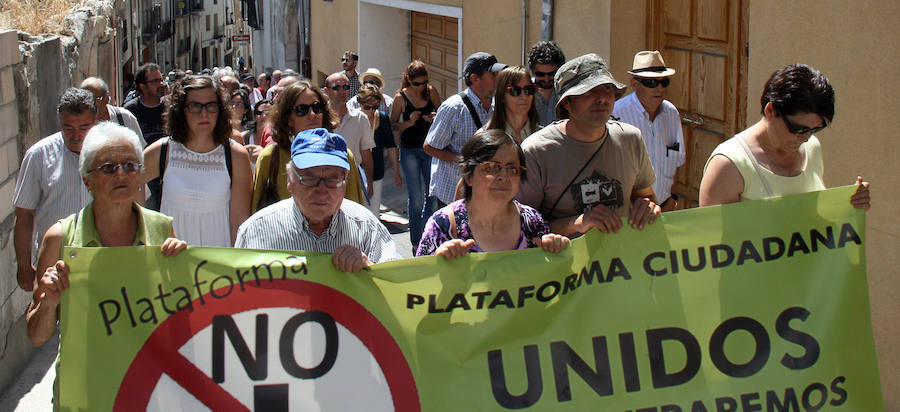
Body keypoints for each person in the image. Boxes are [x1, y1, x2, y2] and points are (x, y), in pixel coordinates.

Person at [26, 122, 187, 348]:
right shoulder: (59, 238)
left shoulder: (162, 229)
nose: (121, 174)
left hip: (145, 376)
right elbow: (36, 337)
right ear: (86, 180)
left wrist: (181, 271)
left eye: (130, 165)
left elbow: (180, 316)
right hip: (83, 379)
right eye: (109, 167)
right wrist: (48, 304)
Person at [517, 54, 661, 238]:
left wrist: (647, 206)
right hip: (564, 265)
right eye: (589, 91)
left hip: (621, 262)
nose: (601, 98)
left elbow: (645, 196)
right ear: (567, 102)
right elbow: (521, 227)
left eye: (607, 89)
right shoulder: (536, 152)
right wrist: (577, 224)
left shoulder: (630, 139)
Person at [700, 63, 871, 209]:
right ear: (771, 110)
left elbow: (812, 219)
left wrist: (848, 205)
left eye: (815, 129)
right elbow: (709, 240)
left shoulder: (812, 148)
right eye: (798, 129)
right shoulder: (729, 165)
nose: (805, 138)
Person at [236, 128, 399, 272]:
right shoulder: (256, 232)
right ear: (289, 181)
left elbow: (395, 289)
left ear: (345, 181)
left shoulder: (367, 228)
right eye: (309, 178)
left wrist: (370, 271)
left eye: (332, 179)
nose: (321, 191)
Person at [416, 129, 569, 258]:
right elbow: (418, 283)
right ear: (469, 176)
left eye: (513, 169)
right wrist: (437, 263)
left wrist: (555, 250)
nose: (504, 176)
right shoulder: (442, 226)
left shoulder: (533, 222)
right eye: (492, 167)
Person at [141, 75, 253, 247]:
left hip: (218, 263)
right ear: (181, 110)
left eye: (211, 106)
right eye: (195, 106)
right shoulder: (162, 151)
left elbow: (239, 224)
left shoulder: (236, 155)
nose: (204, 113)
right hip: (173, 261)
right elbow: (128, 189)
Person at [13, 88, 97, 291]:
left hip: (100, 261)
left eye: (83, 127)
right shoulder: (38, 156)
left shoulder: (111, 153)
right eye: (69, 128)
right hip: (53, 264)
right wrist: (24, 267)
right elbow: (24, 215)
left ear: (95, 121)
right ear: (60, 122)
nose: (76, 135)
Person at [251, 80, 366, 212]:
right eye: (302, 110)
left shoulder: (343, 155)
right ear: (287, 118)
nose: (312, 115)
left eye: (317, 108)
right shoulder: (269, 157)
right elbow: (255, 210)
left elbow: (355, 210)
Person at [424, 52, 507, 214]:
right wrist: (462, 159)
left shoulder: (497, 106)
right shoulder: (454, 108)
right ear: (475, 79)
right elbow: (429, 147)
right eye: (493, 75)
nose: (498, 79)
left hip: (486, 193)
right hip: (453, 193)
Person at [612, 51, 686, 212]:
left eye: (664, 82)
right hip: (629, 213)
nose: (659, 88)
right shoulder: (616, 115)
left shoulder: (671, 113)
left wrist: (672, 199)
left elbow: (678, 161)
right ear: (634, 83)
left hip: (664, 210)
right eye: (651, 83)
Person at [390, 60, 442, 247]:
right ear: (409, 80)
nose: (421, 87)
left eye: (424, 82)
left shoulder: (431, 91)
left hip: (431, 149)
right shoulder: (400, 98)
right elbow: (393, 125)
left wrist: (434, 117)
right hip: (410, 150)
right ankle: (415, 240)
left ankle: (426, 235)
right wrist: (409, 123)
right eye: (417, 83)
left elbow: (442, 114)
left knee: (433, 197)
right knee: (417, 199)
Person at [324, 72, 375, 199]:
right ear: (326, 91)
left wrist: (370, 183)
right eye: (336, 87)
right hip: (325, 178)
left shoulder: (361, 118)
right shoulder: (318, 118)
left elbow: (366, 153)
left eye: (345, 87)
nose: (342, 91)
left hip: (352, 177)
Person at [357, 85, 401, 216]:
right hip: (357, 172)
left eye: (374, 107)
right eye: (367, 107)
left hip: (377, 170)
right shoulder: (353, 119)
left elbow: (391, 145)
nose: (371, 111)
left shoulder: (382, 118)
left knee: (374, 213)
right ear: (360, 103)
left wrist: (396, 171)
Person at [79, 77, 147, 147]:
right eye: (85, 100)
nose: (90, 104)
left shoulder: (124, 118)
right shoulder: (77, 123)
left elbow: (140, 149)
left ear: (107, 98)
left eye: (96, 99)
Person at [484, 65, 540, 143]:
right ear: (502, 96)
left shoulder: (543, 137)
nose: (524, 97)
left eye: (528, 90)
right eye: (515, 90)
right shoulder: (486, 138)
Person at [124, 63, 167, 146]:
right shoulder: (130, 111)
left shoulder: (171, 107)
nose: (161, 84)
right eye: (155, 81)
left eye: (161, 80)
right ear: (142, 86)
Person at [527, 41, 566, 127]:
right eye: (540, 74)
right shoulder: (523, 93)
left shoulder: (567, 93)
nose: (546, 79)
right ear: (532, 72)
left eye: (552, 74)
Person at [245, 99, 272, 164]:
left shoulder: (278, 138)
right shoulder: (245, 137)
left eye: (267, 113)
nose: (263, 116)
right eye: (259, 113)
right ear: (255, 116)